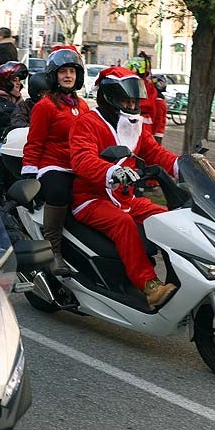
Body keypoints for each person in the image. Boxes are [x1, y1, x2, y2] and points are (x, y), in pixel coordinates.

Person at [69, 67, 179, 309]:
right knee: (123, 224)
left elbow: (154, 152)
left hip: (125, 198)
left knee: (169, 219)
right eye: (125, 101)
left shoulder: (135, 125)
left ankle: (182, 279)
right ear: (110, 98)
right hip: (90, 198)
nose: (131, 106)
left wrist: (183, 166)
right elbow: (81, 159)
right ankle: (149, 285)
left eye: (133, 101)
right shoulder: (87, 123)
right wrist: (111, 171)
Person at [21, 46, 90, 275]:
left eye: (71, 71)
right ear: (54, 75)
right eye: (63, 72)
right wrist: (29, 176)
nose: (68, 76)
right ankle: (53, 250)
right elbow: (34, 142)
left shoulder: (83, 107)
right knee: (61, 191)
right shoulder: (45, 106)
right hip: (52, 166)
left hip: (78, 165)